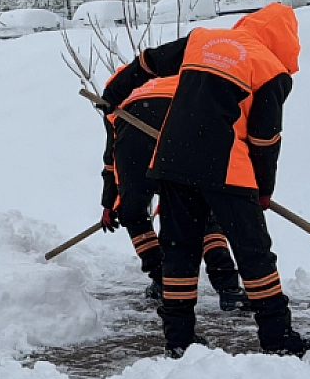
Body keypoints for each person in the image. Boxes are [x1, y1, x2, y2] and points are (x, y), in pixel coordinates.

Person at [102, 3, 310, 358]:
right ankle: (278, 339)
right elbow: (265, 140)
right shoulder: (271, 70)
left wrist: (114, 93)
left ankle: (179, 339)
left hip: (172, 161)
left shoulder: (204, 41)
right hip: (227, 168)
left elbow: (149, 62)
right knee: (254, 254)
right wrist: (264, 190)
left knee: (180, 253)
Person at [99, 70, 248, 311]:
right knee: (202, 212)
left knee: (134, 214)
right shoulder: (182, 81)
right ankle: (229, 289)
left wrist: (110, 203)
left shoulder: (118, 95)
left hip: (133, 145)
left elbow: (111, 159)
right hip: (182, 132)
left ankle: (162, 281)